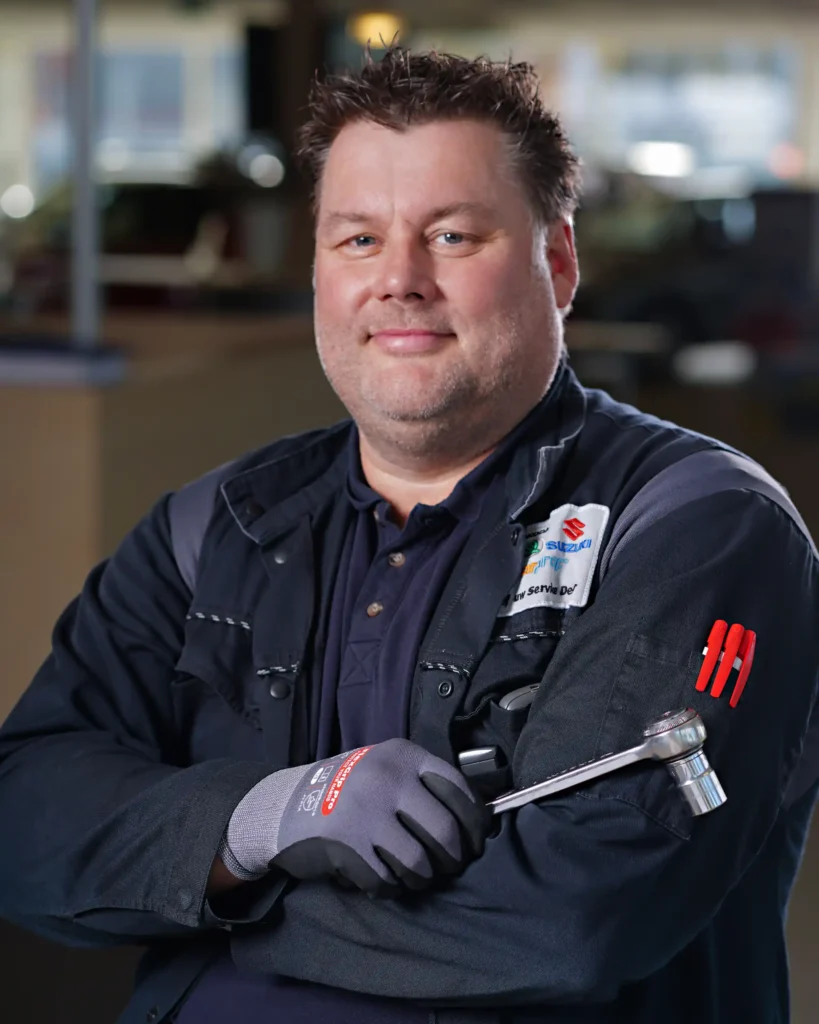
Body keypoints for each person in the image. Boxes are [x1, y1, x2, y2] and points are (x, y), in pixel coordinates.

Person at [1, 47, 818, 1024]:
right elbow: (24, 817)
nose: (398, 280)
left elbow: (570, 921)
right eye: (357, 240)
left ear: (556, 262)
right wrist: (270, 816)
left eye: (453, 236)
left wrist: (211, 892)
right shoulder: (213, 529)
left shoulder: (693, 525)